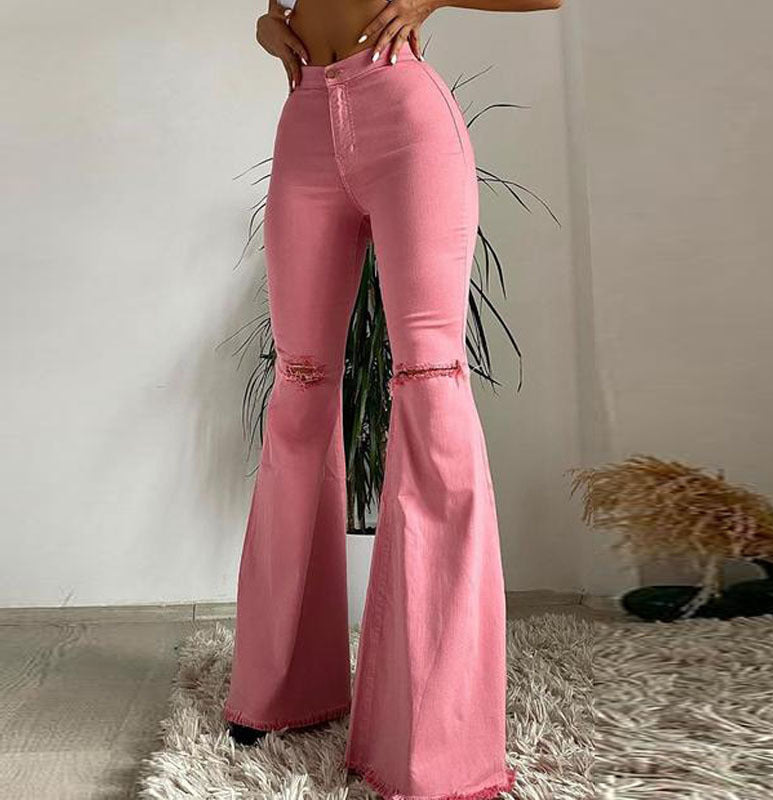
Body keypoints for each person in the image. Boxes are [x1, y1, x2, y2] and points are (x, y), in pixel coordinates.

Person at [222, 1, 562, 798]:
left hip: (406, 116)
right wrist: (267, 27)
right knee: (300, 385)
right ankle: (281, 688)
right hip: (305, 122)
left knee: (431, 385)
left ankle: (436, 734)